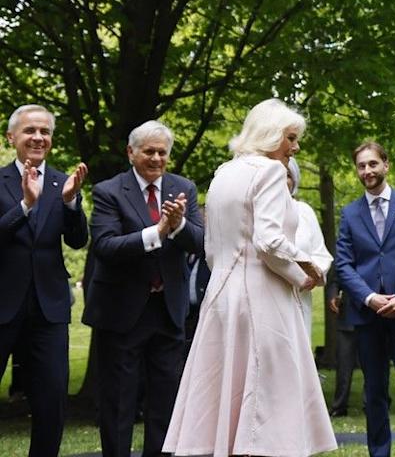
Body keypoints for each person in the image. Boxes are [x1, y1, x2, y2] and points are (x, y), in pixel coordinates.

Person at [162, 98, 337, 456]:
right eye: (290, 137)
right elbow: (270, 240)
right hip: (262, 298)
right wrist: (308, 267)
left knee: (228, 393)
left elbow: (211, 248)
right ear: (271, 134)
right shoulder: (271, 172)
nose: (295, 146)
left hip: (221, 295)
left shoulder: (224, 173)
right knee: (268, 398)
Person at [82, 120, 203, 457]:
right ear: (131, 153)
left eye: (162, 152)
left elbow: (202, 243)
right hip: (121, 312)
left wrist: (177, 227)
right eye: (149, 151)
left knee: (165, 401)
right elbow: (106, 246)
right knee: (119, 402)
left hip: (168, 310)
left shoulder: (184, 189)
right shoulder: (108, 191)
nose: (156, 158)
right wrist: (158, 231)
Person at [0, 104, 88, 457]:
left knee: (52, 399)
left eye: (45, 132)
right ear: (12, 138)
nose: (38, 137)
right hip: (3, 303)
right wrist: (24, 206)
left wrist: (70, 204)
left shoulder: (63, 182)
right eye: (30, 130)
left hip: (50, 307)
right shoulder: (1, 180)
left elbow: (78, 240)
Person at [335, 142, 395, 457]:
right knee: (374, 391)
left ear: (386, 165)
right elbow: (344, 265)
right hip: (366, 317)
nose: (367, 172)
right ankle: (379, 453)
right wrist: (370, 298)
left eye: (372, 164)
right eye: (361, 166)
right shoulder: (349, 214)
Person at [287, 157, 334, 338]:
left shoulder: (304, 211)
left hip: (300, 294)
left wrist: (314, 274)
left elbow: (320, 253)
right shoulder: (257, 210)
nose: (283, 180)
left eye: (288, 175)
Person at [324, 264, 358, 417]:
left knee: (375, 364)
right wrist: (333, 295)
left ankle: (371, 404)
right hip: (347, 315)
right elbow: (335, 278)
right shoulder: (346, 243)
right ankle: (339, 406)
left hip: (374, 315)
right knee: (344, 365)